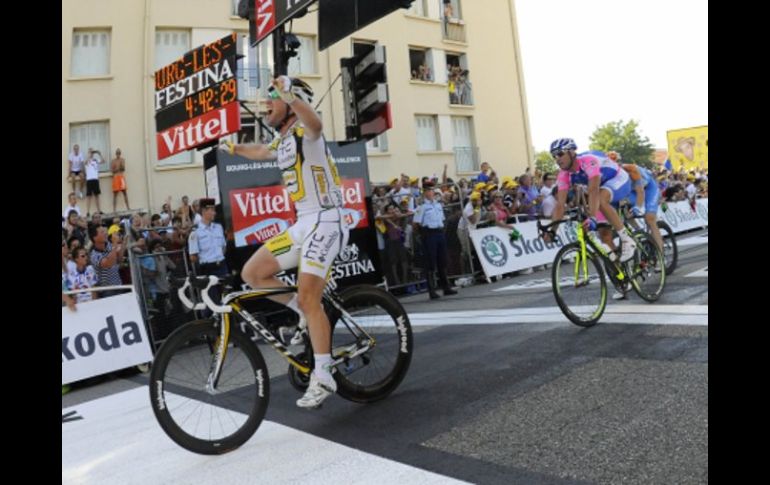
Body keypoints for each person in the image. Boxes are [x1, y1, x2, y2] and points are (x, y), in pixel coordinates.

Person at [220, 75, 348, 409]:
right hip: (303, 223)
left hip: (327, 219)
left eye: (273, 99)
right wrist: (231, 147)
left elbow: (316, 122)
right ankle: (302, 313)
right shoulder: (283, 140)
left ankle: (324, 375)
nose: (267, 104)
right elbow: (261, 150)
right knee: (253, 273)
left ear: (292, 103)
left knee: (310, 297)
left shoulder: (308, 132)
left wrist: (289, 94)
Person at [545, 138, 637, 262]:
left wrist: (592, 217)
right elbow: (560, 205)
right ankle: (620, 273)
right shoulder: (563, 175)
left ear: (572, 152)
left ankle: (627, 240)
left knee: (600, 198)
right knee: (604, 235)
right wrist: (552, 231)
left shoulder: (588, 161)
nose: (557, 159)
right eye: (554, 156)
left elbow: (593, 189)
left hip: (618, 179)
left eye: (560, 154)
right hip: (602, 190)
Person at [413, 183, 458, 300]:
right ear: (424, 193)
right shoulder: (421, 207)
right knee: (430, 263)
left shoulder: (438, 205)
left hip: (439, 233)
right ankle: (431, 290)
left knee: (442, 261)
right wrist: (423, 235)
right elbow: (416, 224)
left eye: (432, 190)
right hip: (429, 234)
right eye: (427, 190)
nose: (430, 192)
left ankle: (446, 287)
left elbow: (442, 219)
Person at [111, 148, 130, 212]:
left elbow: (123, 169)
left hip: (121, 177)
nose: (118, 154)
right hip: (116, 177)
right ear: (116, 154)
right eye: (117, 153)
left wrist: (120, 167)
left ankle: (128, 207)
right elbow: (113, 170)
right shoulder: (113, 161)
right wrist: (118, 168)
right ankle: (114, 209)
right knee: (115, 194)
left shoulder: (122, 160)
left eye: (119, 153)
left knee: (125, 192)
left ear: (120, 153)